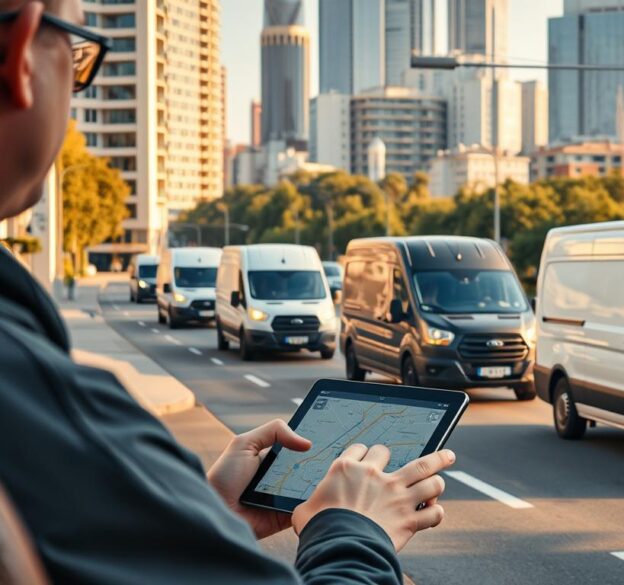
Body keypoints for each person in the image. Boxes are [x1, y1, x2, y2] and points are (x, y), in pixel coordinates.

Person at [0, 1, 455, 583]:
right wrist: (351, 531)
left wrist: (208, 523)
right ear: (22, 56)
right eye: (80, 55)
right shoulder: (42, 400)